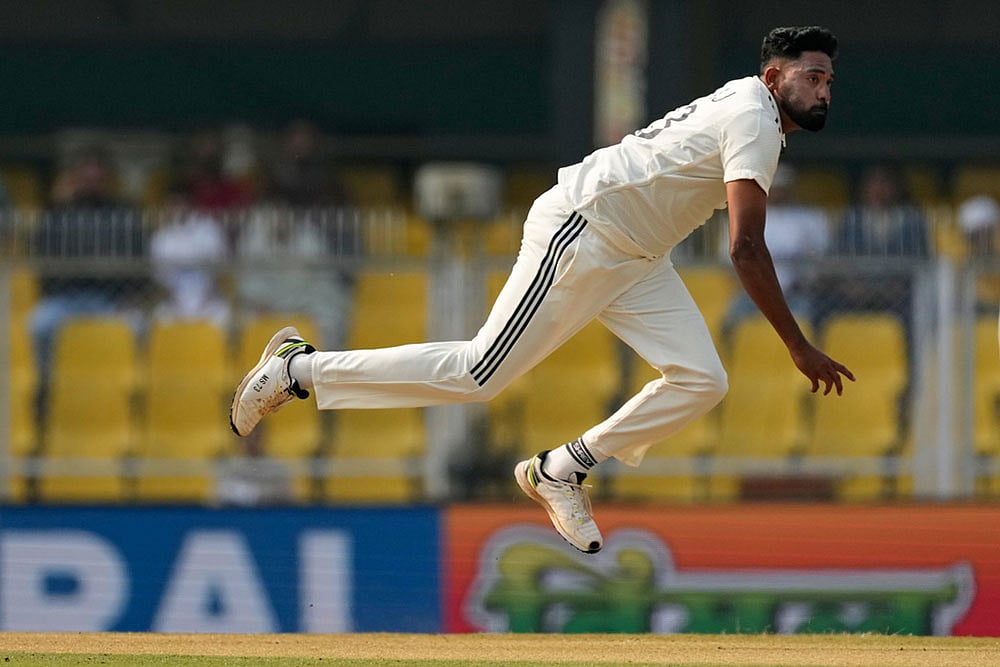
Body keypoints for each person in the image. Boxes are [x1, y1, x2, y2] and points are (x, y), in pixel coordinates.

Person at [230, 26, 853, 553]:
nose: (824, 90)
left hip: (637, 256)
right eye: (812, 77)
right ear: (775, 78)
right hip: (585, 230)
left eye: (828, 81)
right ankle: (299, 371)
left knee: (702, 379)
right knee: (479, 373)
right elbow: (745, 248)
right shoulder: (754, 117)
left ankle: (562, 469)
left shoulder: (750, 105)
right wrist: (799, 347)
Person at [30, 146, 148, 418]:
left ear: (106, 180)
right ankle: (47, 393)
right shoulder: (58, 215)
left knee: (138, 326)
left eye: (97, 177)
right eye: (85, 176)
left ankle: (132, 402)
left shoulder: (124, 214)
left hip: (110, 300)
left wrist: (122, 289)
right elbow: (44, 263)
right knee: (40, 324)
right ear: (75, 178)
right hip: (65, 299)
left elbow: (138, 263)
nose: (91, 181)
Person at [722, 163, 830, 334]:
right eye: (775, 187)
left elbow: (819, 259)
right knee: (730, 321)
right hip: (754, 294)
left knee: (808, 319)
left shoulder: (809, 218)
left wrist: (805, 283)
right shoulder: (743, 216)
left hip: (795, 294)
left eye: (783, 187)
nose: (778, 192)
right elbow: (729, 262)